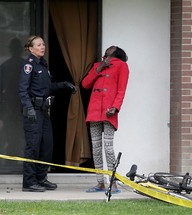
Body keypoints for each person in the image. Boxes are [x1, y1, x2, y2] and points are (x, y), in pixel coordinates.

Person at [19, 35, 77, 192]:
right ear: (31, 49)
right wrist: (29, 108)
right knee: (33, 146)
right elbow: (23, 90)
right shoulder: (29, 65)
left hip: (44, 112)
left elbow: (48, 87)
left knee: (47, 146)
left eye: (43, 44)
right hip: (33, 112)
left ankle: (41, 178)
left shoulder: (43, 65)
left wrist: (64, 85)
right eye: (38, 45)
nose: (42, 47)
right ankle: (29, 182)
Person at [82, 45, 129, 193]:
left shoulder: (122, 66)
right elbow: (85, 84)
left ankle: (113, 182)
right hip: (94, 111)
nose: (106, 52)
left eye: (110, 51)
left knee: (108, 148)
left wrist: (115, 107)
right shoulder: (98, 65)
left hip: (109, 112)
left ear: (116, 54)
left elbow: (122, 90)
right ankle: (100, 182)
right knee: (96, 149)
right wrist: (99, 68)